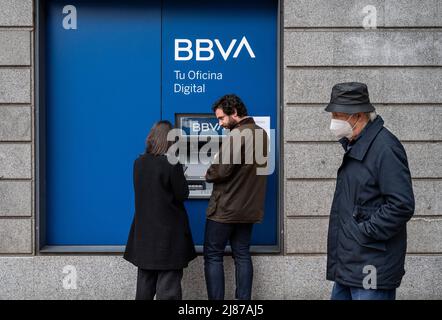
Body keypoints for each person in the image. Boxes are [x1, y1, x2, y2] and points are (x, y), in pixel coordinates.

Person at [325, 82, 415, 300]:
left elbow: (401, 205)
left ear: (357, 116)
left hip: (371, 266)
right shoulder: (357, 145)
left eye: (338, 115)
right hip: (350, 265)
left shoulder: (385, 147)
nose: (333, 122)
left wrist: (363, 233)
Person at [204, 94, 268, 300]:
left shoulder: (237, 135)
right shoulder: (261, 134)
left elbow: (220, 171)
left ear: (234, 113)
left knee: (213, 256)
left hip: (226, 209)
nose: (220, 123)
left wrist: (209, 171)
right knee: (242, 254)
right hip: (248, 209)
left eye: (221, 118)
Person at [124, 120, 196, 300]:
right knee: (168, 288)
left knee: (144, 286)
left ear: (151, 138)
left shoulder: (138, 163)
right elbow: (182, 194)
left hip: (144, 235)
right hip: (169, 237)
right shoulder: (172, 163)